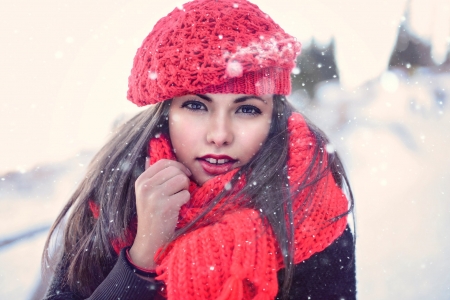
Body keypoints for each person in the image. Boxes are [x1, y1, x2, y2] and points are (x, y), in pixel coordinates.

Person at [42, 0, 356, 299]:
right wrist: (143, 256)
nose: (219, 135)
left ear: (273, 119)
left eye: (246, 110)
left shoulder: (312, 215)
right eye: (196, 105)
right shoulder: (114, 198)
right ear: (166, 115)